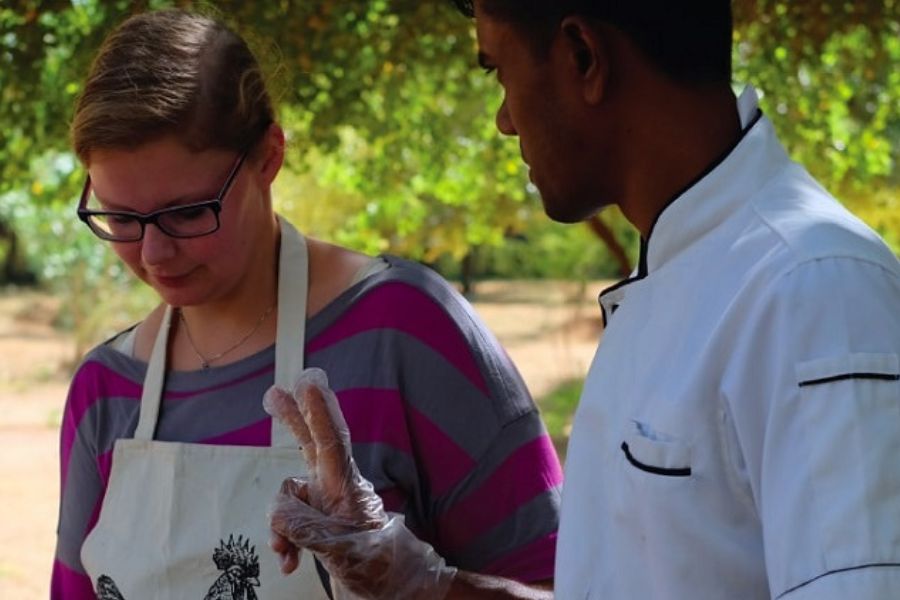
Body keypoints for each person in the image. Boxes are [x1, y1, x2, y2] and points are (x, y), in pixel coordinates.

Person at [266, 0, 900, 598]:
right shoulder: (685, 272)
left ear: (582, 57)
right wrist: (410, 577)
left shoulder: (812, 290)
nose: (504, 118)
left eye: (499, 71)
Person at [52, 9, 563, 599]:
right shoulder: (105, 391)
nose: (153, 252)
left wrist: (422, 587)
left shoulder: (404, 331)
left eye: (187, 212)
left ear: (269, 157)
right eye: (119, 218)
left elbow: (569, 587)